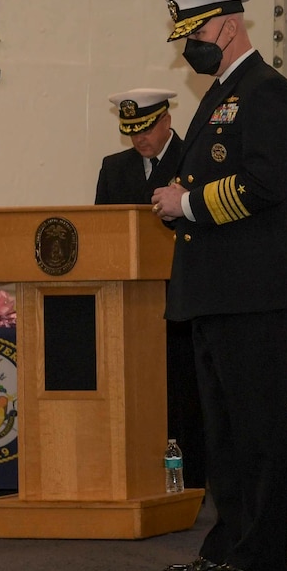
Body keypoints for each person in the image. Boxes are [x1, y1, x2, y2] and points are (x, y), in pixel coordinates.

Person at [151, 0, 287, 571]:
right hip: (216, 288)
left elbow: (264, 183)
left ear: (230, 27)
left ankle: (256, 554)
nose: (190, 49)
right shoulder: (220, 94)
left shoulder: (266, 91)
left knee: (254, 429)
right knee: (222, 430)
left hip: (251, 290)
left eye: (196, 36)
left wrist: (185, 202)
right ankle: (226, 544)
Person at [96, 89, 205, 492]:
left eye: (145, 129)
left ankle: (190, 480)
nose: (138, 139)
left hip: (180, 297)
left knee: (182, 392)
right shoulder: (114, 167)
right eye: (130, 131)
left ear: (165, 121)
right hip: (129, 303)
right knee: (135, 393)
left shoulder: (192, 159)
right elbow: (103, 233)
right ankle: (137, 475)